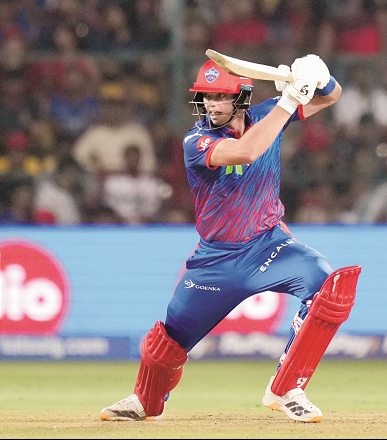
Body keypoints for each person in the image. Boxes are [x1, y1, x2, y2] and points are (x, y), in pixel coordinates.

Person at [99, 56, 361, 423]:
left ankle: (286, 388)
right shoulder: (197, 140)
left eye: (221, 96)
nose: (212, 104)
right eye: (207, 97)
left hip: (270, 246)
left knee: (327, 285)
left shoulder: (268, 113)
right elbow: (246, 151)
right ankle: (145, 401)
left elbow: (331, 96)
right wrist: (290, 100)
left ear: (241, 99)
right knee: (167, 343)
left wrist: (319, 75)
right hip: (217, 260)